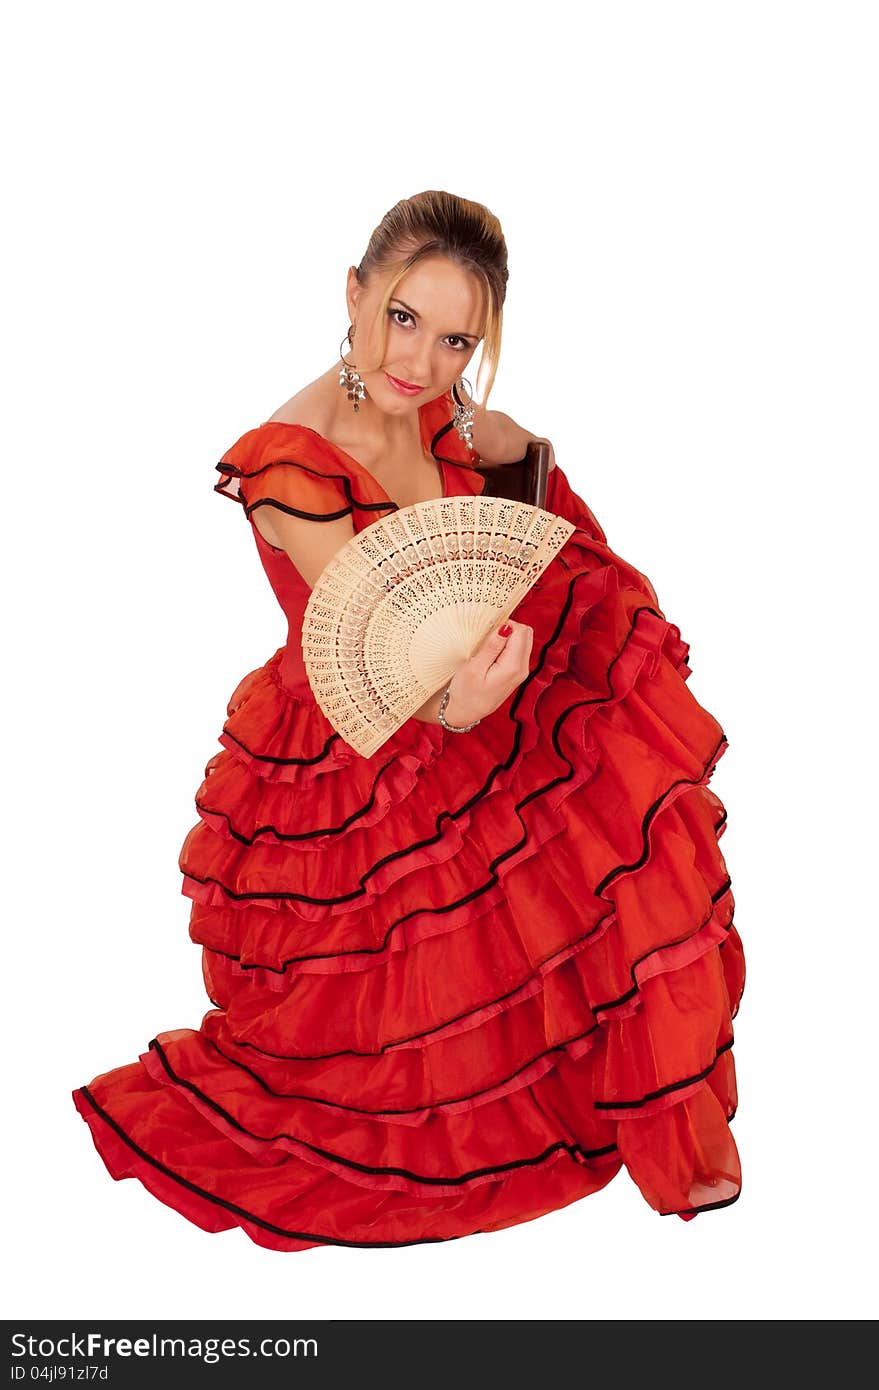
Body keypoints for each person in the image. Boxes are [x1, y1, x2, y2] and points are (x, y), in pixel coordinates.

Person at [72, 189, 745, 1252]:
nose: (420, 361)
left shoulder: (448, 409)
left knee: (618, 799)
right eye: (400, 317)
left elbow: (528, 463)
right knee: (401, 1029)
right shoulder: (290, 462)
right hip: (357, 733)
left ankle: (622, 1091)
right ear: (354, 291)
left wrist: (529, 554)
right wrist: (449, 702)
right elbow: (367, 641)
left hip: (459, 679)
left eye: (454, 339)